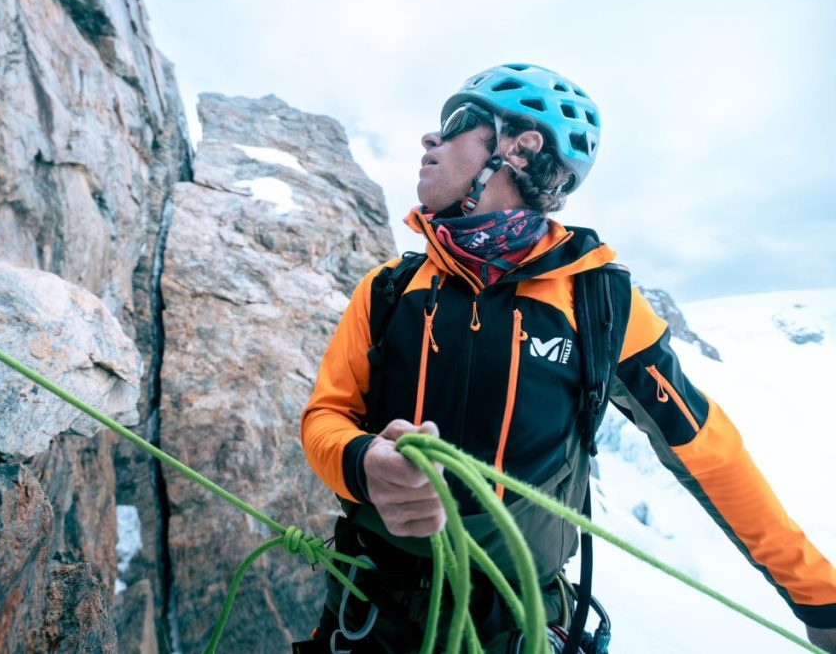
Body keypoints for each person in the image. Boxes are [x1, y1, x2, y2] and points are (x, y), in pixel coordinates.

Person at [298, 64, 836, 652]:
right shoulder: (389, 289)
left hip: (519, 623)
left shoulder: (600, 301)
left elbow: (707, 451)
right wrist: (363, 462)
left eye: (456, 124)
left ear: (521, 150)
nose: (430, 140)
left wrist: (820, 597)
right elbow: (325, 419)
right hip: (373, 613)